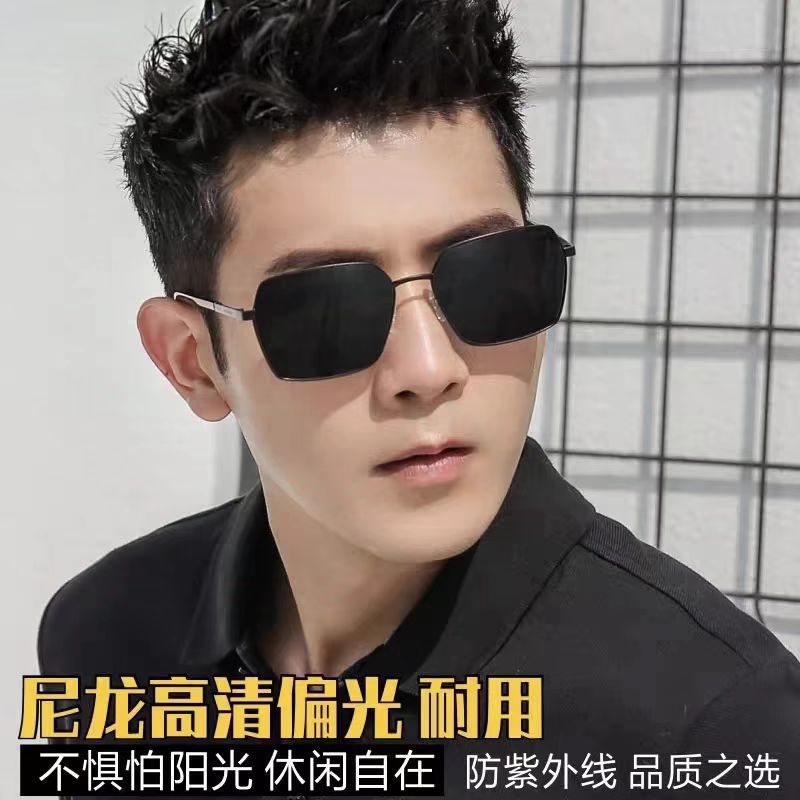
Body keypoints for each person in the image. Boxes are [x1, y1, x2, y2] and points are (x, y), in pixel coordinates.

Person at [37, 1, 800, 797]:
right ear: (193, 364)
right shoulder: (107, 637)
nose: (429, 368)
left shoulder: (714, 728)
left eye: (489, 275)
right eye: (328, 310)